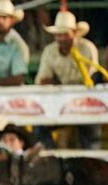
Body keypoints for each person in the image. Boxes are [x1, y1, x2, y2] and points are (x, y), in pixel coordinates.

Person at [35, 11, 101, 149]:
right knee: (39, 126)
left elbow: (92, 80)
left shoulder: (87, 48)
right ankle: (52, 160)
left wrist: (58, 85)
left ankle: (92, 163)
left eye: (65, 34)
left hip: (85, 103)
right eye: (58, 35)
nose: (61, 38)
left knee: (91, 132)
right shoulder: (49, 51)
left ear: (74, 33)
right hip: (60, 103)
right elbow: (42, 81)